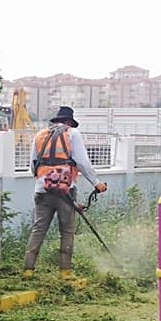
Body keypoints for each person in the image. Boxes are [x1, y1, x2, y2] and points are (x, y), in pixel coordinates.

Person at [22, 106, 107, 281]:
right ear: (69, 122)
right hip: (65, 191)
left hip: (42, 189)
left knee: (38, 228)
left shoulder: (40, 135)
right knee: (67, 231)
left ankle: (28, 270)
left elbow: (32, 166)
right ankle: (65, 272)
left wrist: (43, 180)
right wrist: (97, 183)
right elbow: (82, 162)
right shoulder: (72, 133)